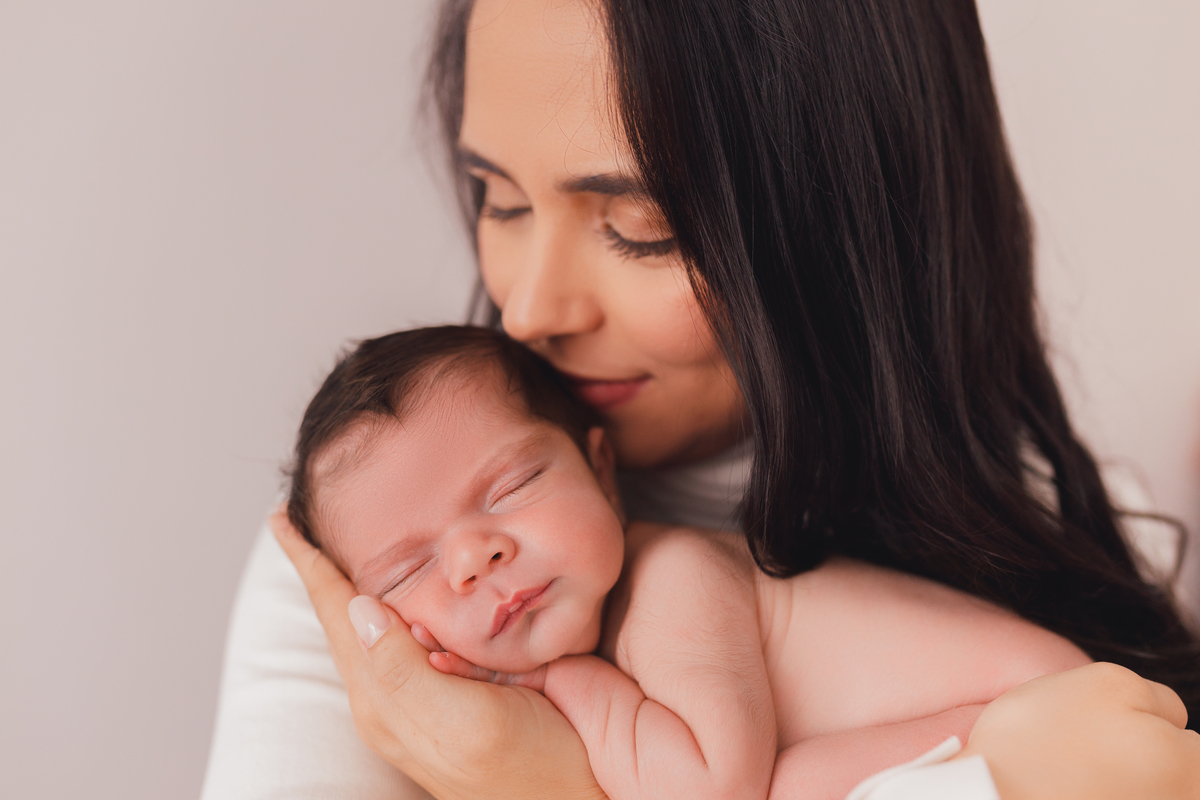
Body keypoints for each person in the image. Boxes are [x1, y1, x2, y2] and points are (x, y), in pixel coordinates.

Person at [201, 0, 1200, 798]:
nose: (529, 310)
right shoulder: (371, 564)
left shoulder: (1068, 537)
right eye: (500, 201)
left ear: (841, 217)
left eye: (640, 226)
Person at [286, 324, 1097, 800]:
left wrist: (572, 690)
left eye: (512, 487)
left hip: (1049, 724)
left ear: (601, 472)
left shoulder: (674, 578)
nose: (474, 555)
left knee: (781, 791)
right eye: (407, 573)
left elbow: (713, 791)